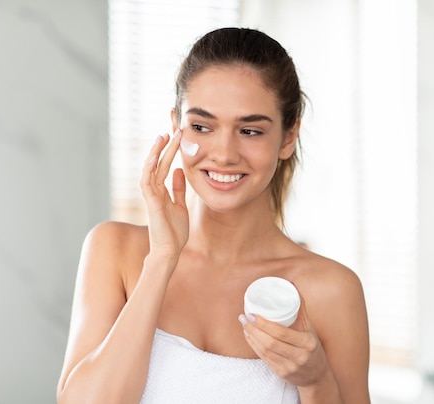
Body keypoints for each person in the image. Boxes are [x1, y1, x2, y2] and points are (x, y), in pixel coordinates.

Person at [57, 27, 370, 404]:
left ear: (288, 137)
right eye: (201, 126)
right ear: (176, 127)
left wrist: (316, 380)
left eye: (250, 130)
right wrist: (162, 259)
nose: (223, 153)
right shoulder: (116, 250)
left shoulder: (330, 290)